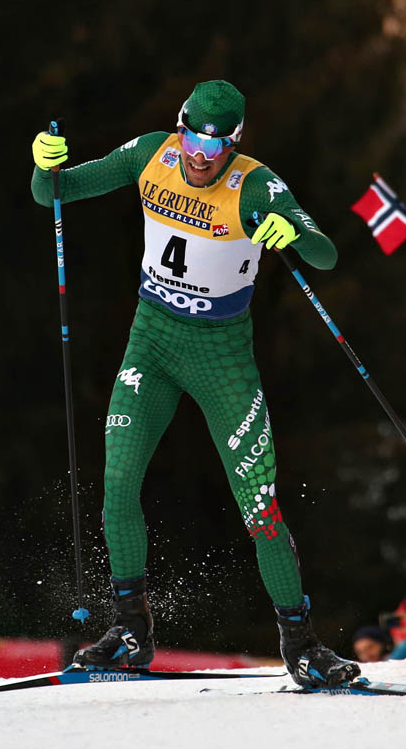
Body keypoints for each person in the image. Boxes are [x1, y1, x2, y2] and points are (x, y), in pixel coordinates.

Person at [29, 80, 360, 688]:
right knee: (118, 484)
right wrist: (43, 165)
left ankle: (302, 643)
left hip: (222, 358)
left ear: (235, 141)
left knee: (260, 508)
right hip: (151, 343)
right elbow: (56, 191)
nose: (201, 154)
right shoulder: (152, 154)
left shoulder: (256, 184)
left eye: (217, 142)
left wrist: (293, 234)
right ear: (178, 126)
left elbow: (326, 253)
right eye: (193, 137)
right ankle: (131, 630)